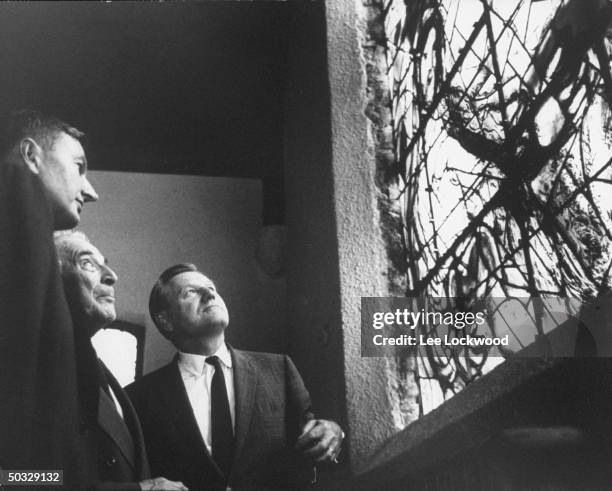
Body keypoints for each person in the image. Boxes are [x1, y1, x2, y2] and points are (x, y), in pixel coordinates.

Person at [126, 264, 345, 491]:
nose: (210, 294)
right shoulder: (139, 397)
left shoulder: (278, 369)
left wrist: (334, 435)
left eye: (211, 288)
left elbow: (315, 442)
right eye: (190, 292)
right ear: (166, 320)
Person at [0, 109, 99, 486]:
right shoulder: (18, 193)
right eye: (79, 167)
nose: (91, 192)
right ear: (30, 156)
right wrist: (32, 482)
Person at [54, 230, 189, 491]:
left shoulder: (96, 369)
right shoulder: (21, 370)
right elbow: (13, 478)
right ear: (49, 279)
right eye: (87, 263)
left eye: (106, 263)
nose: (112, 276)